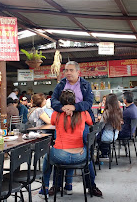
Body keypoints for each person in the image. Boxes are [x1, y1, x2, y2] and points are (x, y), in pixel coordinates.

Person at [50, 61, 102, 196]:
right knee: (60, 147)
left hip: (81, 120)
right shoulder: (61, 84)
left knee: (86, 154)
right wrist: (63, 108)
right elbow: (53, 100)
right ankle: (56, 185)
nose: (68, 73)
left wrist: (74, 107)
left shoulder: (85, 85)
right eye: (66, 70)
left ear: (78, 72)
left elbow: (89, 102)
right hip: (62, 118)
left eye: (71, 70)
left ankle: (91, 186)